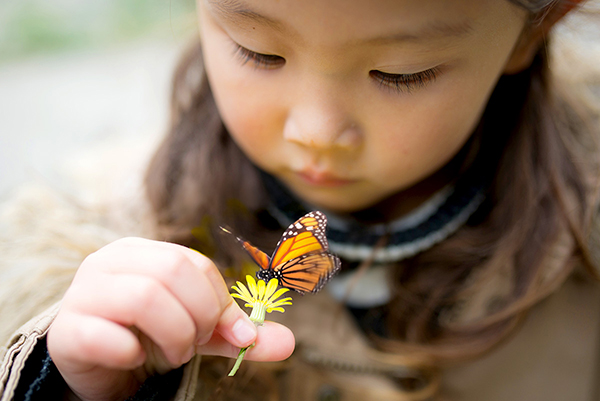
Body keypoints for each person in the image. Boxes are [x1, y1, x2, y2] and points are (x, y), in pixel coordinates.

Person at [1, 0, 599, 399]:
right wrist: (78, 386)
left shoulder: (585, 247)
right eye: (258, 52)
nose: (313, 131)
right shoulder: (106, 226)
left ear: (532, 30)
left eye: (400, 72)